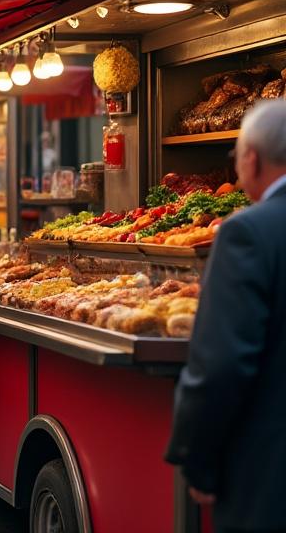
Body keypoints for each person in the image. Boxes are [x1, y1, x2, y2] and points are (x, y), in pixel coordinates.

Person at [166, 100, 286, 532]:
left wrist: (197, 459)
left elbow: (221, 362)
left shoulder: (247, 231)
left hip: (268, 472)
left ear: (251, 159)